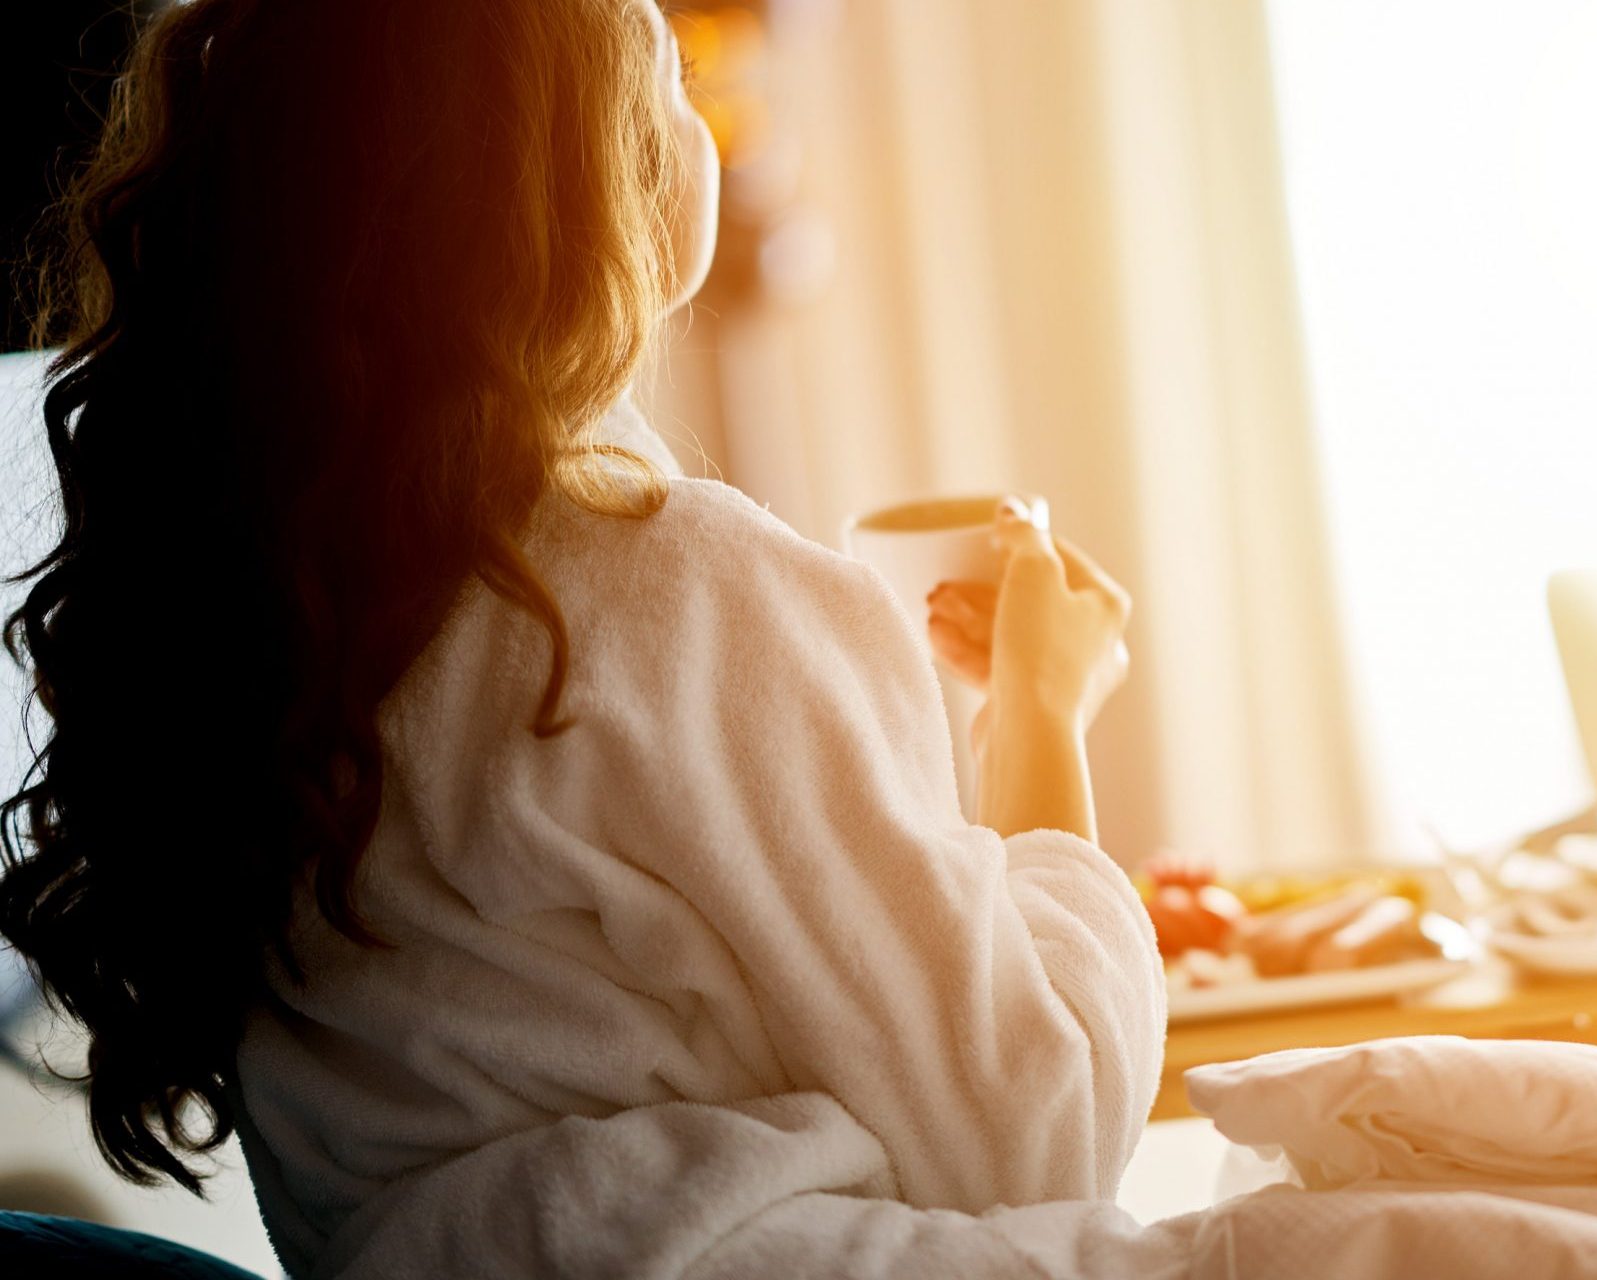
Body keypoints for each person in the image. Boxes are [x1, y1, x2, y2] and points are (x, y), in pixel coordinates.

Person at [0, 2, 1162, 1275]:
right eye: (674, 76)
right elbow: (1039, 1135)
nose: (709, 124)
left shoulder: (260, 621)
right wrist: (1042, 711)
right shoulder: (680, 589)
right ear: (583, 176)